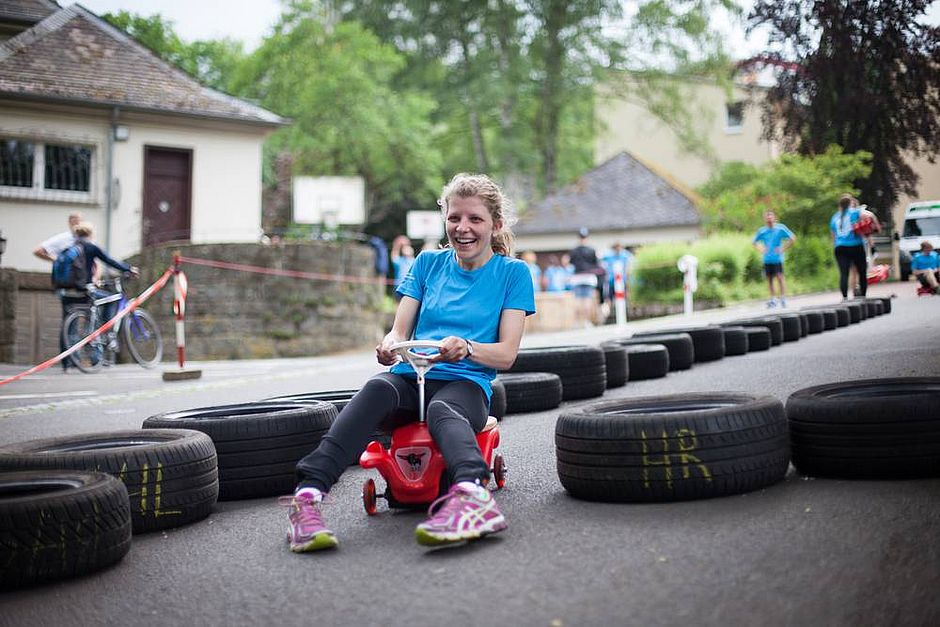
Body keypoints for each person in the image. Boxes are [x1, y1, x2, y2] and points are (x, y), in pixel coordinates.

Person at [284, 173, 536, 552]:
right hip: (411, 373)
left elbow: (507, 353)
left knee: (443, 408)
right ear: (445, 219)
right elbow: (398, 332)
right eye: (454, 218)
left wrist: (467, 347)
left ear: (495, 225)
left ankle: (472, 495)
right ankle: (307, 498)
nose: (462, 228)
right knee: (376, 389)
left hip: (465, 384)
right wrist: (389, 347)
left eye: (474, 219)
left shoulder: (513, 274)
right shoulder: (427, 264)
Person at [752, 210, 796, 308]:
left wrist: (783, 248)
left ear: (774, 218)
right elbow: (754, 242)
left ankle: (783, 298)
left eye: (771, 218)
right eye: (767, 219)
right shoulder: (762, 231)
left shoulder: (780, 228)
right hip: (767, 259)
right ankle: (773, 299)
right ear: (765, 220)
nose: (769, 220)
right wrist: (762, 249)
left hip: (777, 259)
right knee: (770, 279)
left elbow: (792, 238)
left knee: (780, 277)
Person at [830, 194, 868, 300]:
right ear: (850, 203)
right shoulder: (855, 212)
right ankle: (863, 295)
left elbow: (833, 236)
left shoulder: (834, 217)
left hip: (840, 248)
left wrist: (836, 246)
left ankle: (845, 297)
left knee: (844, 273)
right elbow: (866, 217)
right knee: (862, 271)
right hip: (855, 245)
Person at [569, 228, 601, 326]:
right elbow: (596, 263)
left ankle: (577, 322)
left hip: (577, 277)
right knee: (587, 299)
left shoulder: (574, 250)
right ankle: (587, 322)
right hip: (588, 276)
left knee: (578, 300)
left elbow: (571, 262)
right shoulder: (592, 250)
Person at [602, 242, 632, 307]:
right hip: (611, 281)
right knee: (609, 298)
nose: (618, 250)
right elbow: (602, 261)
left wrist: (628, 276)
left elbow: (630, 265)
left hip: (623, 281)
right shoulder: (608, 256)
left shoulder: (625, 255)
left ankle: (626, 310)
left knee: (624, 297)